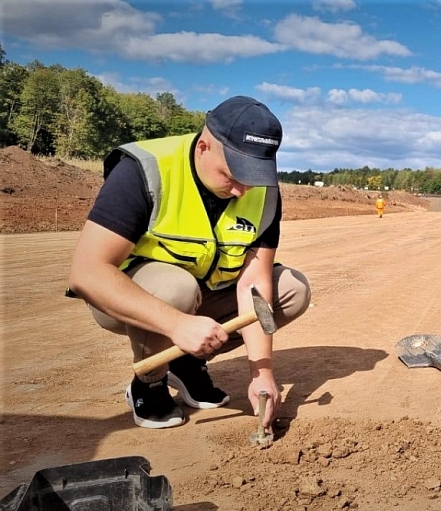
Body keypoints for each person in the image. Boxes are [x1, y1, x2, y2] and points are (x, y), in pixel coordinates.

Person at [67, 96, 311, 430]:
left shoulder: (261, 191)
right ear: (204, 147)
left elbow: (254, 285)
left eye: (253, 176)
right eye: (232, 175)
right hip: (132, 296)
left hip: (204, 294)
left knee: (292, 290)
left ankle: (186, 363)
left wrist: (262, 374)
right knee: (176, 288)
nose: (243, 190)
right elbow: (86, 272)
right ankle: (149, 382)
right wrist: (177, 326)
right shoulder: (146, 170)